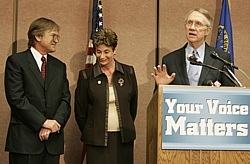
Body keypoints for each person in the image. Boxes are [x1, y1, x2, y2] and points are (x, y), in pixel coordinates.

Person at [4, 17, 71, 164]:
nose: (56, 40)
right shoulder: (16, 62)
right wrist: (43, 122)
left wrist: (54, 124)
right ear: (38, 36)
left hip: (52, 142)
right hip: (25, 142)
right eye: (53, 35)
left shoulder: (60, 66)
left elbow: (65, 100)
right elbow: (16, 99)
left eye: (57, 36)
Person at [75, 28, 138, 164]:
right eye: (98, 51)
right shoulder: (86, 76)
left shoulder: (129, 72)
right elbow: (80, 112)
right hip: (96, 139)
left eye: (106, 52)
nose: (102, 56)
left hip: (123, 138)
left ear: (114, 50)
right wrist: (92, 130)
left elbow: (132, 107)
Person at [151, 8, 235, 87]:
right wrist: (161, 87)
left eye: (198, 24)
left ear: (207, 30)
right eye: (189, 23)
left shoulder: (220, 58)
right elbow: (158, 100)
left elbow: (230, 94)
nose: (192, 27)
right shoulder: (170, 60)